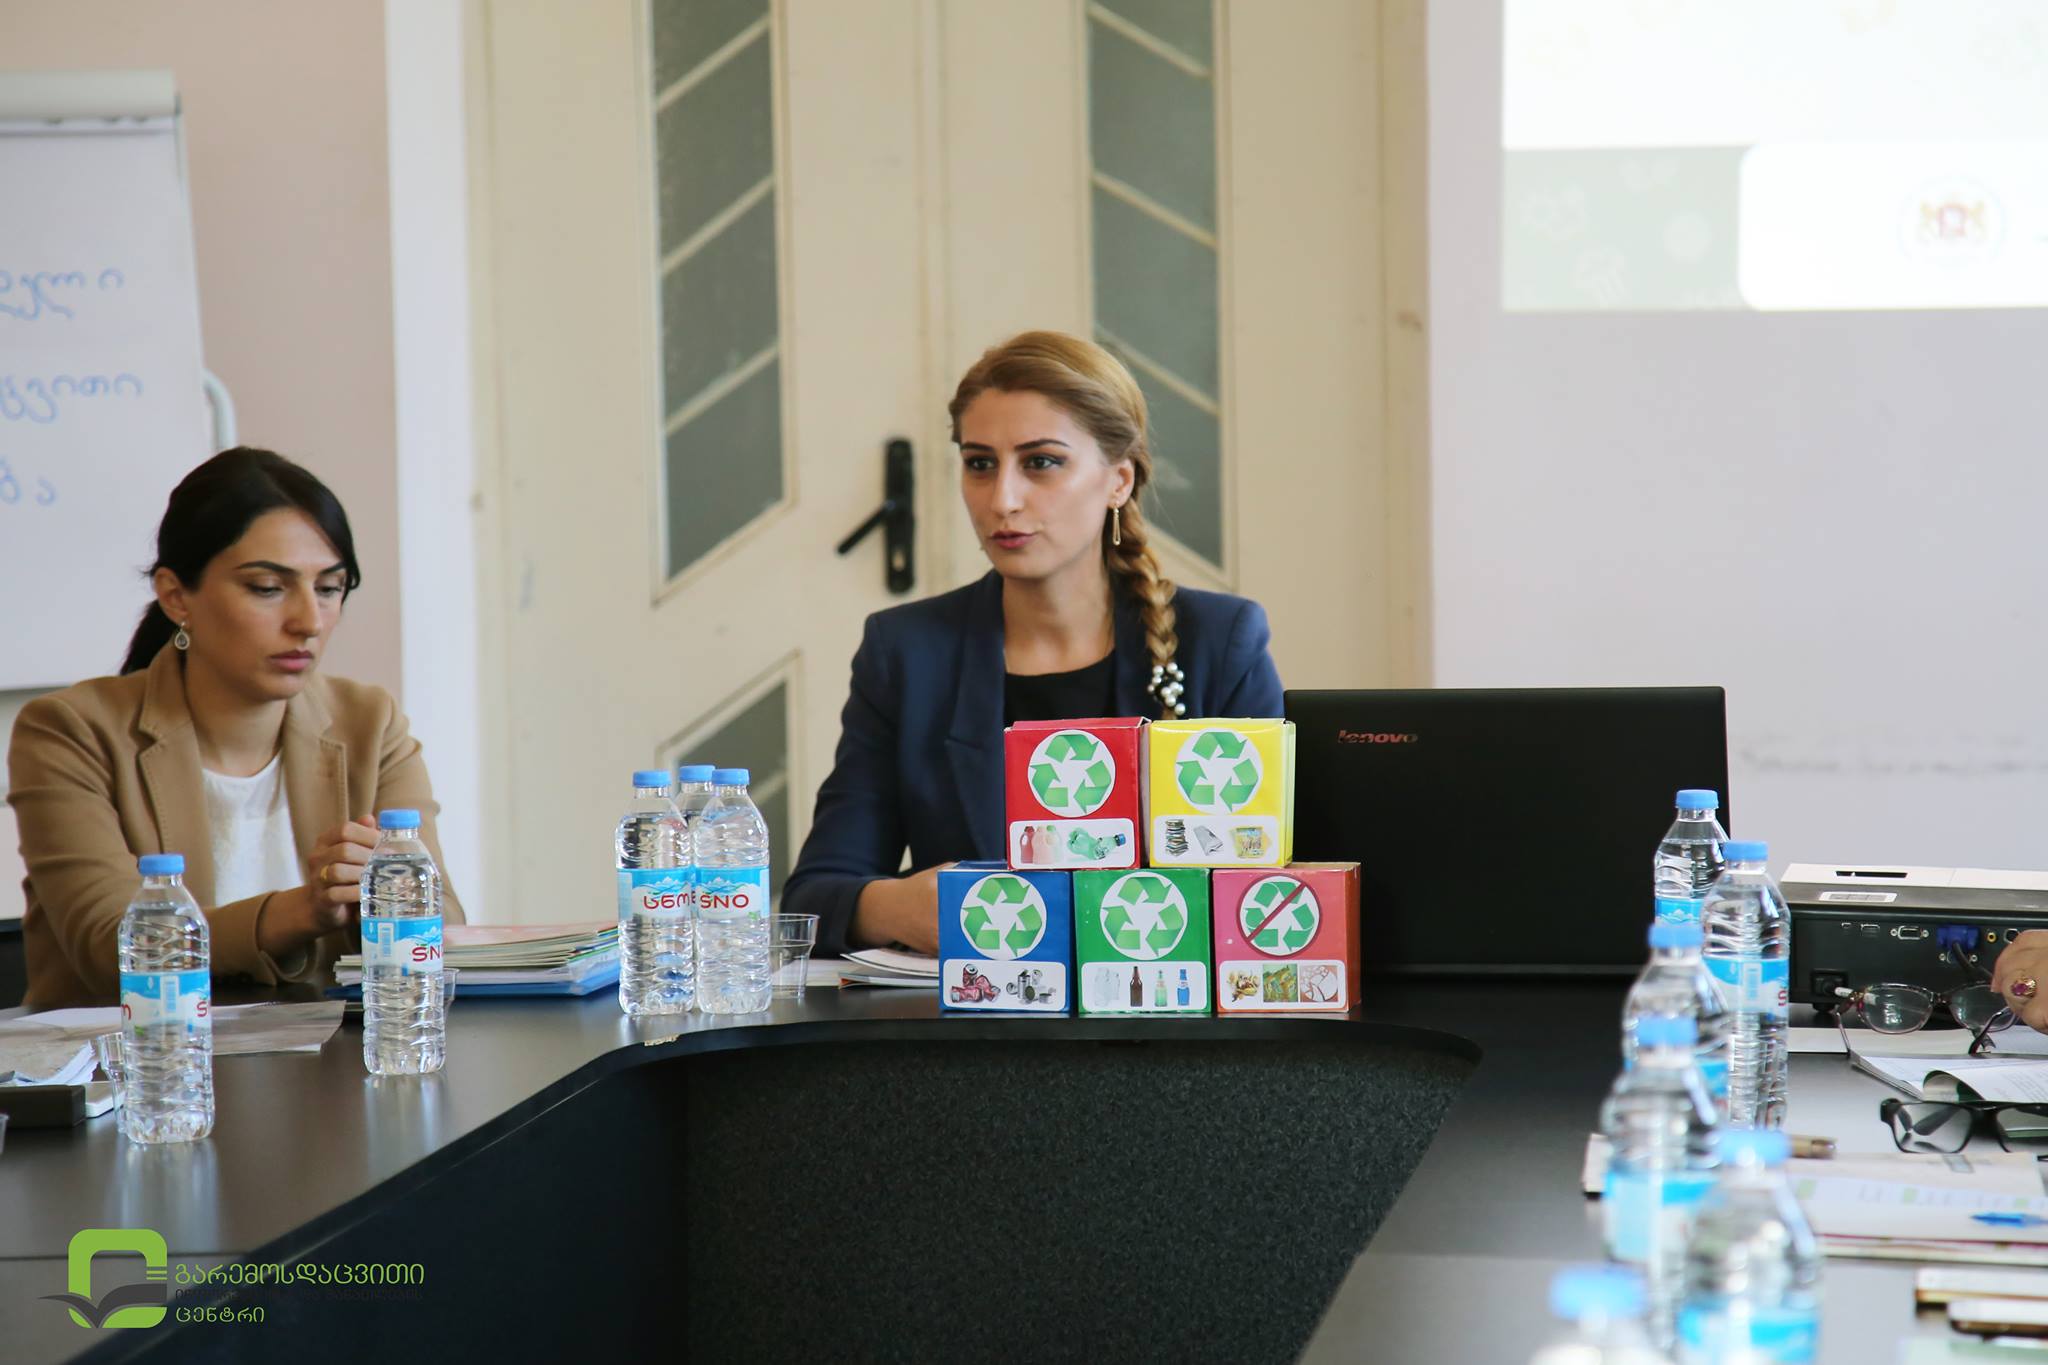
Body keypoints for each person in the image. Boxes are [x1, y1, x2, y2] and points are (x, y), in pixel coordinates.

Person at [784, 331, 1283, 958]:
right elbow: (816, 896)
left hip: (1170, 1010)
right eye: (980, 464)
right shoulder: (907, 652)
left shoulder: (1219, 642)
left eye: (1041, 462)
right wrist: (897, 907)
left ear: (1118, 480)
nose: (1003, 500)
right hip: (975, 1013)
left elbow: (1272, 892)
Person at [8, 447, 464, 1008]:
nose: (309, 621)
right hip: (141, 1056)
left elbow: (446, 932)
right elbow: (114, 948)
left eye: (329, 588)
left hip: (335, 1054)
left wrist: (394, 893)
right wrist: (306, 908)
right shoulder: (70, 731)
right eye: (268, 587)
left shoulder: (369, 722)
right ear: (176, 596)